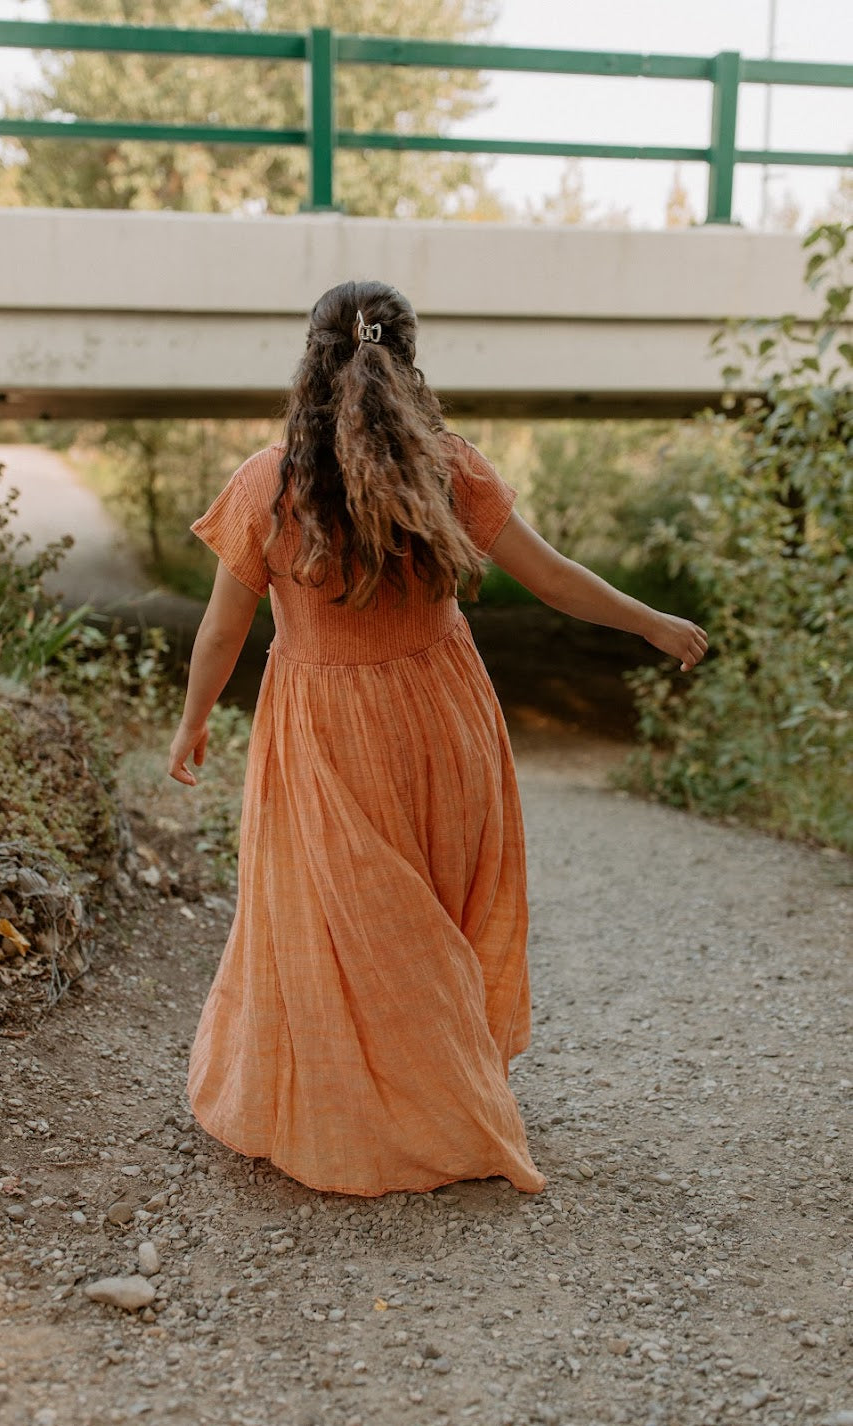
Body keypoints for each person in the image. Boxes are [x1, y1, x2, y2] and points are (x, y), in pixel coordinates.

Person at [168, 279, 708, 1199]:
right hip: (444, 716)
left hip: (328, 732)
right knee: (439, 916)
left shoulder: (270, 481)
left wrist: (192, 722)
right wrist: (650, 621)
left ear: (309, 362)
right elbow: (553, 577)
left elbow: (223, 632)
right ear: (409, 361)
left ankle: (385, 1113)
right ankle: (440, 1097)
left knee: (351, 924)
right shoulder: (449, 467)